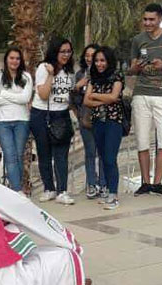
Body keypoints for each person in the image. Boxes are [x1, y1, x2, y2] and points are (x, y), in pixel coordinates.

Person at [128, 3, 162, 197]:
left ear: (160, 18)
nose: (147, 23)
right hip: (141, 94)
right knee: (142, 140)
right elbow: (131, 69)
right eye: (145, 19)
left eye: (151, 19)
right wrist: (138, 67)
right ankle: (145, 182)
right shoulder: (137, 40)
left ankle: (158, 183)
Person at [31, 38, 76, 205]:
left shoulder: (69, 70)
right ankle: (49, 188)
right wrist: (51, 75)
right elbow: (43, 94)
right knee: (44, 153)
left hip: (62, 115)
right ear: (55, 51)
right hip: (42, 114)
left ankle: (62, 190)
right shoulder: (44, 68)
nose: (65, 55)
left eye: (68, 51)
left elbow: (67, 95)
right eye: (62, 51)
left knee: (61, 155)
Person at [83, 47, 125, 211]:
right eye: (97, 61)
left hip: (113, 121)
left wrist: (95, 96)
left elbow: (114, 97)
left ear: (109, 61)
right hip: (97, 121)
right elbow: (87, 101)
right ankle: (107, 191)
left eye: (102, 60)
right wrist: (104, 100)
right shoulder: (93, 78)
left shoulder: (117, 75)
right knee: (102, 156)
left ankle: (113, 194)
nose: (100, 64)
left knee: (110, 158)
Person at [0, 47, 33, 193]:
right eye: (11, 58)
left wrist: (4, 93)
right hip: (2, 121)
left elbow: (26, 98)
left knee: (18, 155)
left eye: (17, 58)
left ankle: (18, 188)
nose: (14, 61)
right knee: (10, 154)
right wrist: (16, 99)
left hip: (22, 120)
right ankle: (17, 190)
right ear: (6, 59)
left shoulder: (26, 77)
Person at [71, 44, 106, 199]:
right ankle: (91, 184)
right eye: (87, 55)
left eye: (92, 55)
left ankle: (104, 184)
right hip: (85, 119)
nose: (89, 58)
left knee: (103, 153)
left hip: (103, 118)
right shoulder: (80, 74)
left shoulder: (105, 73)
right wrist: (78, 86)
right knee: (90, 153)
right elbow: (73, 98)